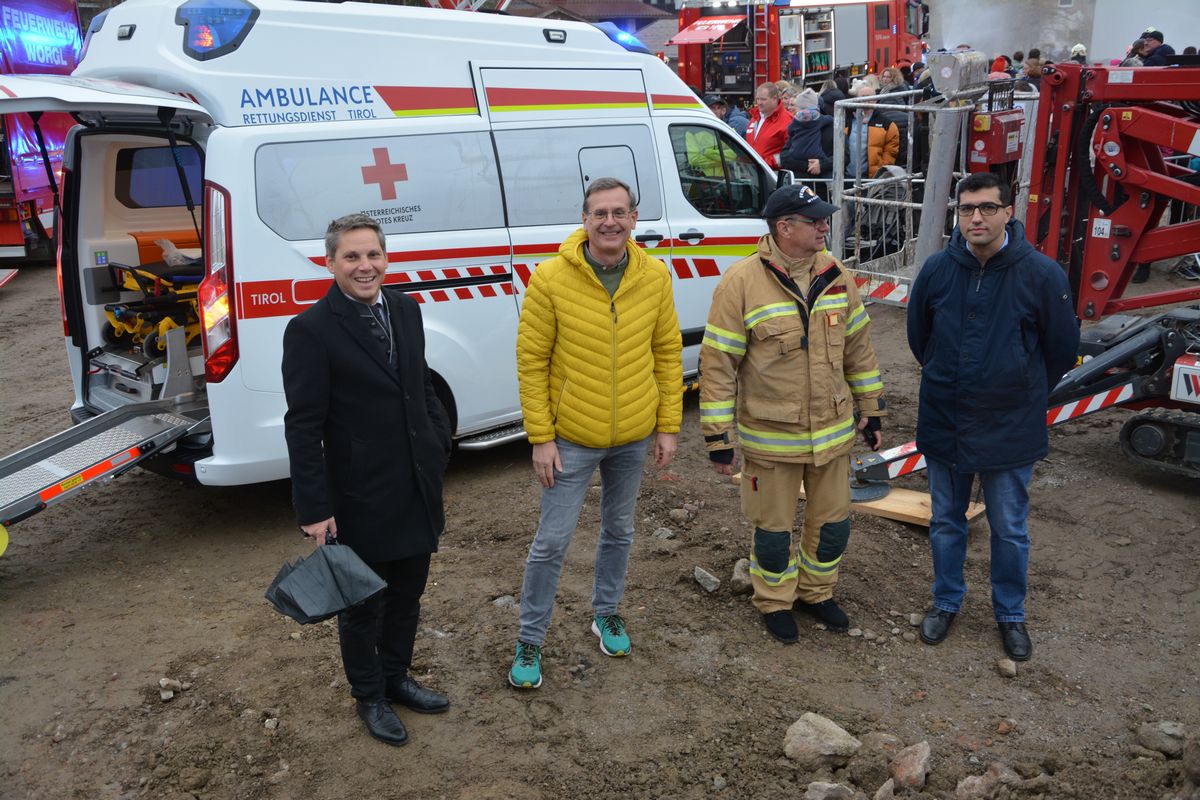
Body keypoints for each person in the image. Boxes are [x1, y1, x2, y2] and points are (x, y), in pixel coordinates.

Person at [282, 213, 453, 746]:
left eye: (373, 254)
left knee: (408, 593)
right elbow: (303, 427)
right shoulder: (310, 330)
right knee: (362, 605)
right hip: (359, 495)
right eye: (352, 256)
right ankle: (370, 697)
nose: (365, 266)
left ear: (386, 257)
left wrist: (437, 439)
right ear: (330, 262)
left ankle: (396, 676)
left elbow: (420, 383)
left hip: (415, 483)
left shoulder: (405, 309)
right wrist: (314, 507)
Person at [509, 177, 683, 690]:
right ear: (584, 220)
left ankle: (606, 612)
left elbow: (668, 353)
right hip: (571, 439)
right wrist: (541, 437)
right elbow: (531, 361)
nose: (610, 221)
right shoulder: (550, 279)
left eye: (620, 212)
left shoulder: (654, 276)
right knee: (551, 542)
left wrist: (668, 425)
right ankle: (530, 639)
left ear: (634, 219)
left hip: (632, 432)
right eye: (599, 213)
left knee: (620, 530)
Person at [699, 184, 886, 643]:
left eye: (825, 219)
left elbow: (858, 349)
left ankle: (817, 593)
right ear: (784, 227)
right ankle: (774, 600)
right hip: (772, 437)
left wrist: (871, 409)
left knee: (834, 525)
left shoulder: (836, 274)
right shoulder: (740, 283)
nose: (825, 226)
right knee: (773, 533)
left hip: (833, 432)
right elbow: (718, 365)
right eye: (815, 220)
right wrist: (718, 438)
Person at [907, 172, 1079, 662]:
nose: (975, 218)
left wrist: (1020, 388)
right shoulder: (939, 270)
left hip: (1011, 424)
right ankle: (946, 601)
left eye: (986, 207)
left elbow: (1061, 350)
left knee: (1009, 527)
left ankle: (1010, 614)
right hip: (946, 416)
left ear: (1009, 212)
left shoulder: (1041, 275)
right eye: (966, 209)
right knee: (946, 520)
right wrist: (949, 377)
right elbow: (921, 338)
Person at [779, 88, 833, 191]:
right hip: (802, 186)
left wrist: (822, 165)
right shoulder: (827, 122)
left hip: (819, 189)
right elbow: (785, 156)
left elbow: (843, 156)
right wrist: (808, 165)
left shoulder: (796, 124)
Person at [844, 86, 900, 180]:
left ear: (875, 100)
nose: (866, 100)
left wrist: (881, 169)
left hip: (872, 178)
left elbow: (891, 150)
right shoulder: (846, 121)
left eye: (869, 97)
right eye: (863, 96)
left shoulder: (887, 124)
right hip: (846, 177)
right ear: (857, 99)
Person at [746, 81, 792, 168]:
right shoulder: (754, 118)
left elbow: (792, 152)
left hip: (773, 175)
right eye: (757, 99)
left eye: (763, 99)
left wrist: (767, 163)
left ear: (775, 98)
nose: (759, 102)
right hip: (753, 173)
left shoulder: (787, 120)